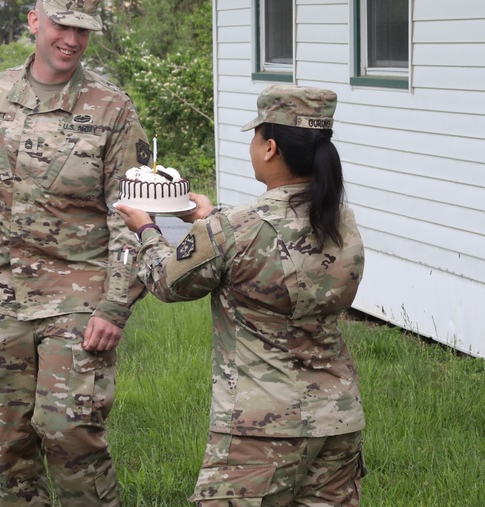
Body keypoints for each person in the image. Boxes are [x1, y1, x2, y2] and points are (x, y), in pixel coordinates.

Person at [0, 0, 151, 506]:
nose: (71, 40)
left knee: (69, 432)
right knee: (6, 436)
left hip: (80, 298)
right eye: (61, 25)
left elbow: (132, 216)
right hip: (0, 299)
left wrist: (116, 306)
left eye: (83, 30)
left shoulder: (111, 110)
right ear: (35, 21)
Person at [116, 84, 367, 507]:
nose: (252, 145)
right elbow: (273, 240)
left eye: (255, 137)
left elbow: (166, 281)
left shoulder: (236, 227)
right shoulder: (339, 217)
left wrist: (145, 230)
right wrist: (207, 218)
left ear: (270, 147)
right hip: (338, 420)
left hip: (261, 427)